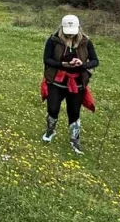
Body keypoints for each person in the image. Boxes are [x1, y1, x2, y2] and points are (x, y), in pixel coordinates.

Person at [41, 15, 99, 155]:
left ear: (78, 28)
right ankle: (50, 130)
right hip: (56, 81)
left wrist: (83, 65)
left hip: (77, 83)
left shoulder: (86, 42)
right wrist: (62, 64)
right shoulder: (53, 40)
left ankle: (74, 140)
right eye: (67, 31)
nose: (70, 34)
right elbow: (47, 60)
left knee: (74, 112)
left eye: (73, 31)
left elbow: (95, 61)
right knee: (53, 108)